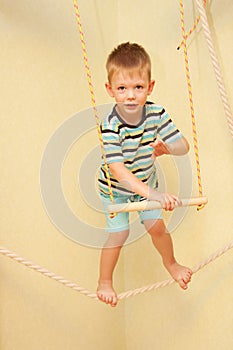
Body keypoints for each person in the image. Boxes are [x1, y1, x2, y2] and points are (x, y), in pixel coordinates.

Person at [97, 42, 192, 307]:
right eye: (122, 88)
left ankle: (171, 264)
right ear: (110, 90)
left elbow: (184, 146)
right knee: (119, 234)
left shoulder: (156, 113)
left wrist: (167, 148)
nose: (130, 95)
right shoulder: (110, 126)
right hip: (115, 188)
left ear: (149, 87)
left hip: (147, 180)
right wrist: (156, 196)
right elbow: (119, 171)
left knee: (157, 227)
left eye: (138, 87)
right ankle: (104, 281)